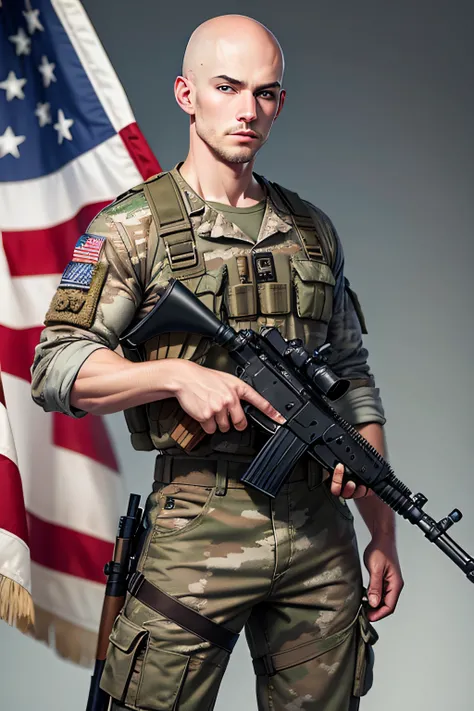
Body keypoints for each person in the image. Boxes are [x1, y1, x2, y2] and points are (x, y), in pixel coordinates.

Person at [31, 14, 403, 711]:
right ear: (185, 93)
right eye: (228, 87)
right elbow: (55, 366)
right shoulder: (131, 226)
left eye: (265, 93)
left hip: (319, 531)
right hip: (195, 523)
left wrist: (382, 529)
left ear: (280, 103)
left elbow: (353, 380)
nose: (247, 110)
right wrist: (173, 374)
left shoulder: (313, 231)